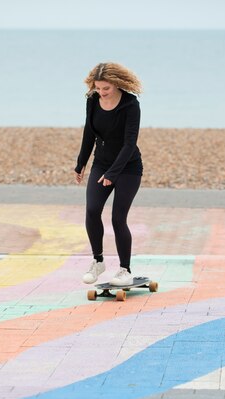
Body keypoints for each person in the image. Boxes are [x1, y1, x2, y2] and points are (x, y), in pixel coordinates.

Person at [74, 62, 143, 287]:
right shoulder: (92, 100)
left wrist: (114, 173)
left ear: (116, 84)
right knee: (92, 210)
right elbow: (88, 132)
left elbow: (129, 143)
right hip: (101, 164)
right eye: (98, 88)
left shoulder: (131, 105)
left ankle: (125, 270)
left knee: (117, 218)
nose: (101, 93)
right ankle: (98, 261)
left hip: (128, 167)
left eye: (106, 89)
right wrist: (81, 162)